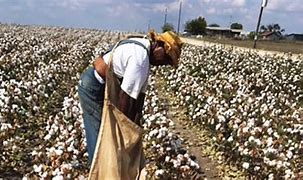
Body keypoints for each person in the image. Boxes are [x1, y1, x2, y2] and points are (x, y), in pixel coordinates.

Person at [78, 31, 183, 165]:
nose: (165, 63)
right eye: (167, 58)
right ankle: (98, 171)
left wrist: (135, 128)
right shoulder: (140, 60)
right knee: (101, 134)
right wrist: (123, 130)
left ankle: (104, 168)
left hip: (100, 84)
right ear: (159, 45)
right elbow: (125, 99)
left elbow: (138, 100)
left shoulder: (142, 48)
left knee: (106, 134)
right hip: (92, 86)